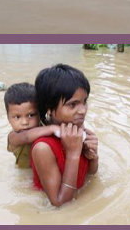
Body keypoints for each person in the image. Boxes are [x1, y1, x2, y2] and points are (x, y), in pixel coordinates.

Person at [30, 64, 99, 207]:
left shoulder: (77, 129)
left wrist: (93, 155)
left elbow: (90, 176)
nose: (83, 110)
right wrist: (73, 153)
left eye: (84, 101)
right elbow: (59, 203)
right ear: (49, 108)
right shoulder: (43, 148)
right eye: (73, 105)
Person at [3, 82, 61, 168]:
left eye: (31, 115)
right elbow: (26, 137)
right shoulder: (13, 137)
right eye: (17, 117)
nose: (24, 122)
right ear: (8, 118)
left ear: (40, 114)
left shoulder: (44, 126)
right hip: (25, 172)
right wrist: (52, 128)